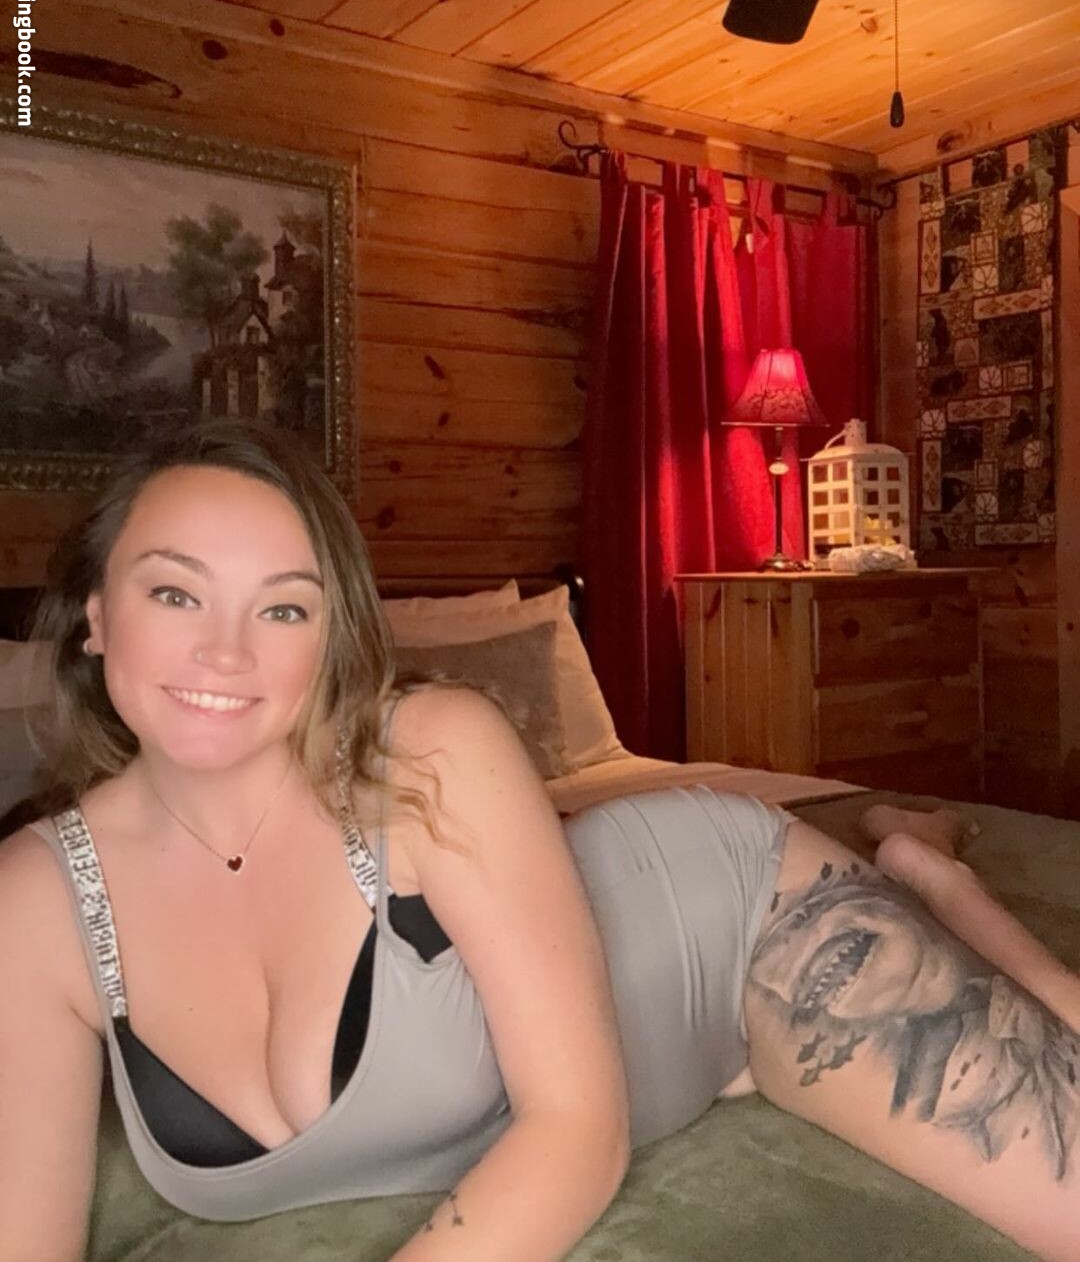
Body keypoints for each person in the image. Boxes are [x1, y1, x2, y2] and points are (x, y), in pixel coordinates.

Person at [0, 418, 1076, 1262]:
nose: (225, 653)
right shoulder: (37, 901)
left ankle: (928, 873)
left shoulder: (431, 750)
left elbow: (576, 1133)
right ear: (95, 616)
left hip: (735, 920)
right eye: (176, 592)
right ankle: (923, 868)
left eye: (284, 609)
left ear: (330, 640)